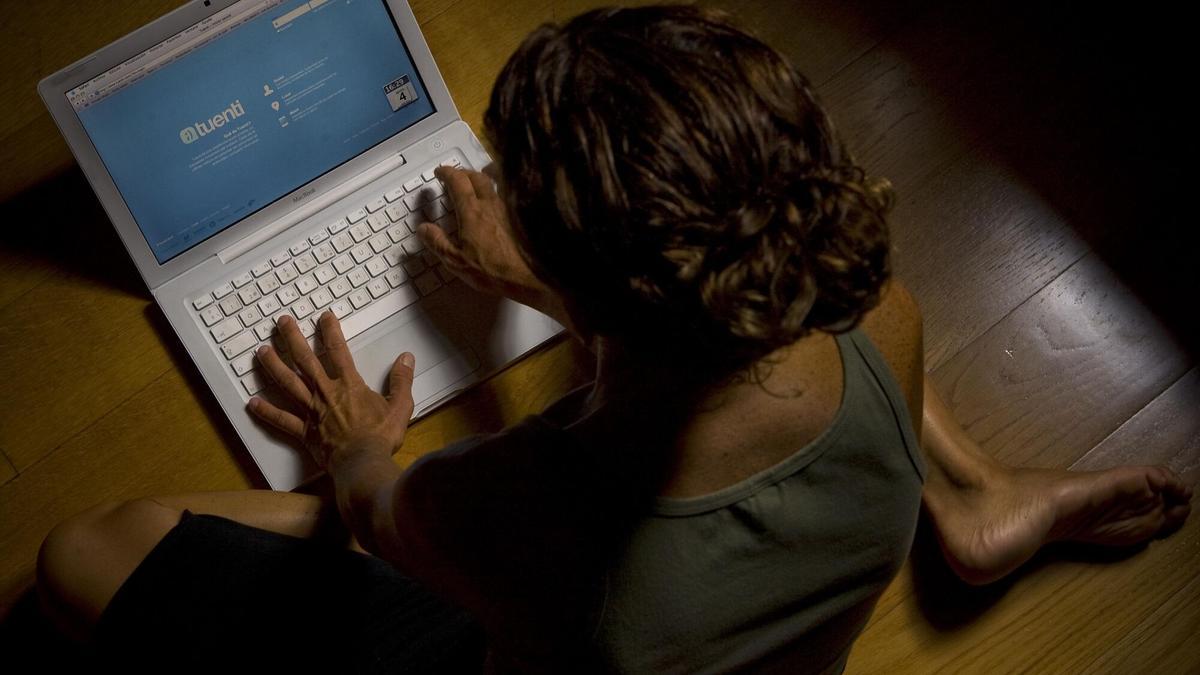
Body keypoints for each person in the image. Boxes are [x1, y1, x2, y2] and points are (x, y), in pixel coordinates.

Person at [35, 6, 1192, 673]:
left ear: (594, 289)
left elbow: (393, 516)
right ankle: (973, 494)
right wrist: (557, 286)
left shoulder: (508, 508)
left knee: (90, 548)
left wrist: (353, 447)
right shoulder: (876, 314)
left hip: (558, 636)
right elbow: (699, 361)